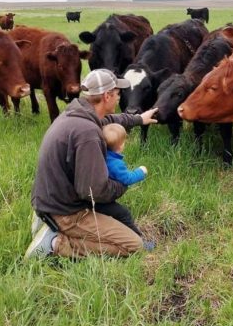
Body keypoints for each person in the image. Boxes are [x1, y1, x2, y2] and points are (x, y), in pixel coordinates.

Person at [27, 68, 159, 259]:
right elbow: (93, 192)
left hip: (53, 198)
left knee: (120, 221)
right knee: (134, 246)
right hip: (67, 211)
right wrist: (124, 182)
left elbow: (111, 119)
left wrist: (139, 119)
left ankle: (49, 223)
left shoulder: (77, 114)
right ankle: (55, 243)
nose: (119, 97)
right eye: (118, 93)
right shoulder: (88, 134)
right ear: (107, 96)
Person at [100, 123, 149, 238]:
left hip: (98, 197)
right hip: (102, 200)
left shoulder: (102, 155)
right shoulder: (115, 163)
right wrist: (141, 172)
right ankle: (139, 241)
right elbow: (127, 178)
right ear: (121, 146)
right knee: (124, 214)